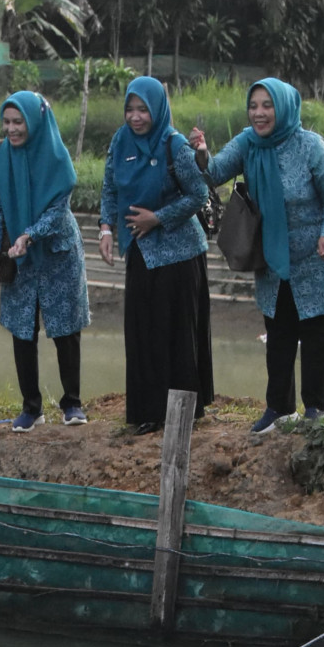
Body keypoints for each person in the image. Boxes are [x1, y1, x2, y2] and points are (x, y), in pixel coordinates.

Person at [190, 78, 324, 433]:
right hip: (272, 254)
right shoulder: (249, 143)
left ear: (284, 107)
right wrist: (202, 153)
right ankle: (279, 408)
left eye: (267, 105)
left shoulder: (310, 146)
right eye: (254, 106)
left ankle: (315, 410)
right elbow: (214, 173)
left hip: (315, 254)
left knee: (314, 331)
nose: (259, 113)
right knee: (277, 330)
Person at [99, 76, 213, 434]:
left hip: (179, 254)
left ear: (157, 109)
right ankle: (148, 411)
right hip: (141, 251)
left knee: (176, 332)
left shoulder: (174, 145)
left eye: (143, 109)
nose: (135, 117)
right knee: (142, 330)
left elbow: (198, 195)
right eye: (130, 109)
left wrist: (157, 218)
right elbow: (109, 188)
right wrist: (106, 228)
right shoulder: (120, 142)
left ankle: (184, 412)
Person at [0, 91, 90, 430]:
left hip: (57, 251)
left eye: (19, 122)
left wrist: (30, 235)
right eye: (7, 122)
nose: (12, 129)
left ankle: (72, 403)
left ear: (35, 122)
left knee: (65, 327)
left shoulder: (56, 157)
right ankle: (31, 407)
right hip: (18, 253)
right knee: (22, 326)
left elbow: (59, 209)